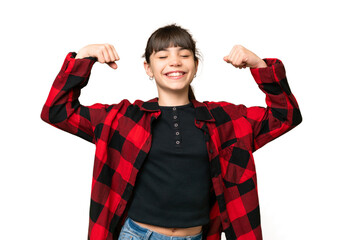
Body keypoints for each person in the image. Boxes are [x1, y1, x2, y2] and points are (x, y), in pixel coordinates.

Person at [40, 24, 302, 240]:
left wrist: (259, 65)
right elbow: (57, 111)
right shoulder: (123, 118)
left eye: (184, 55)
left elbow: (285, 116)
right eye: (162, 56)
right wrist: (84, 57)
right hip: (137, 235)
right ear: (148, 68)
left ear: (196, 66)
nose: (174, 61)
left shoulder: (223, 120)